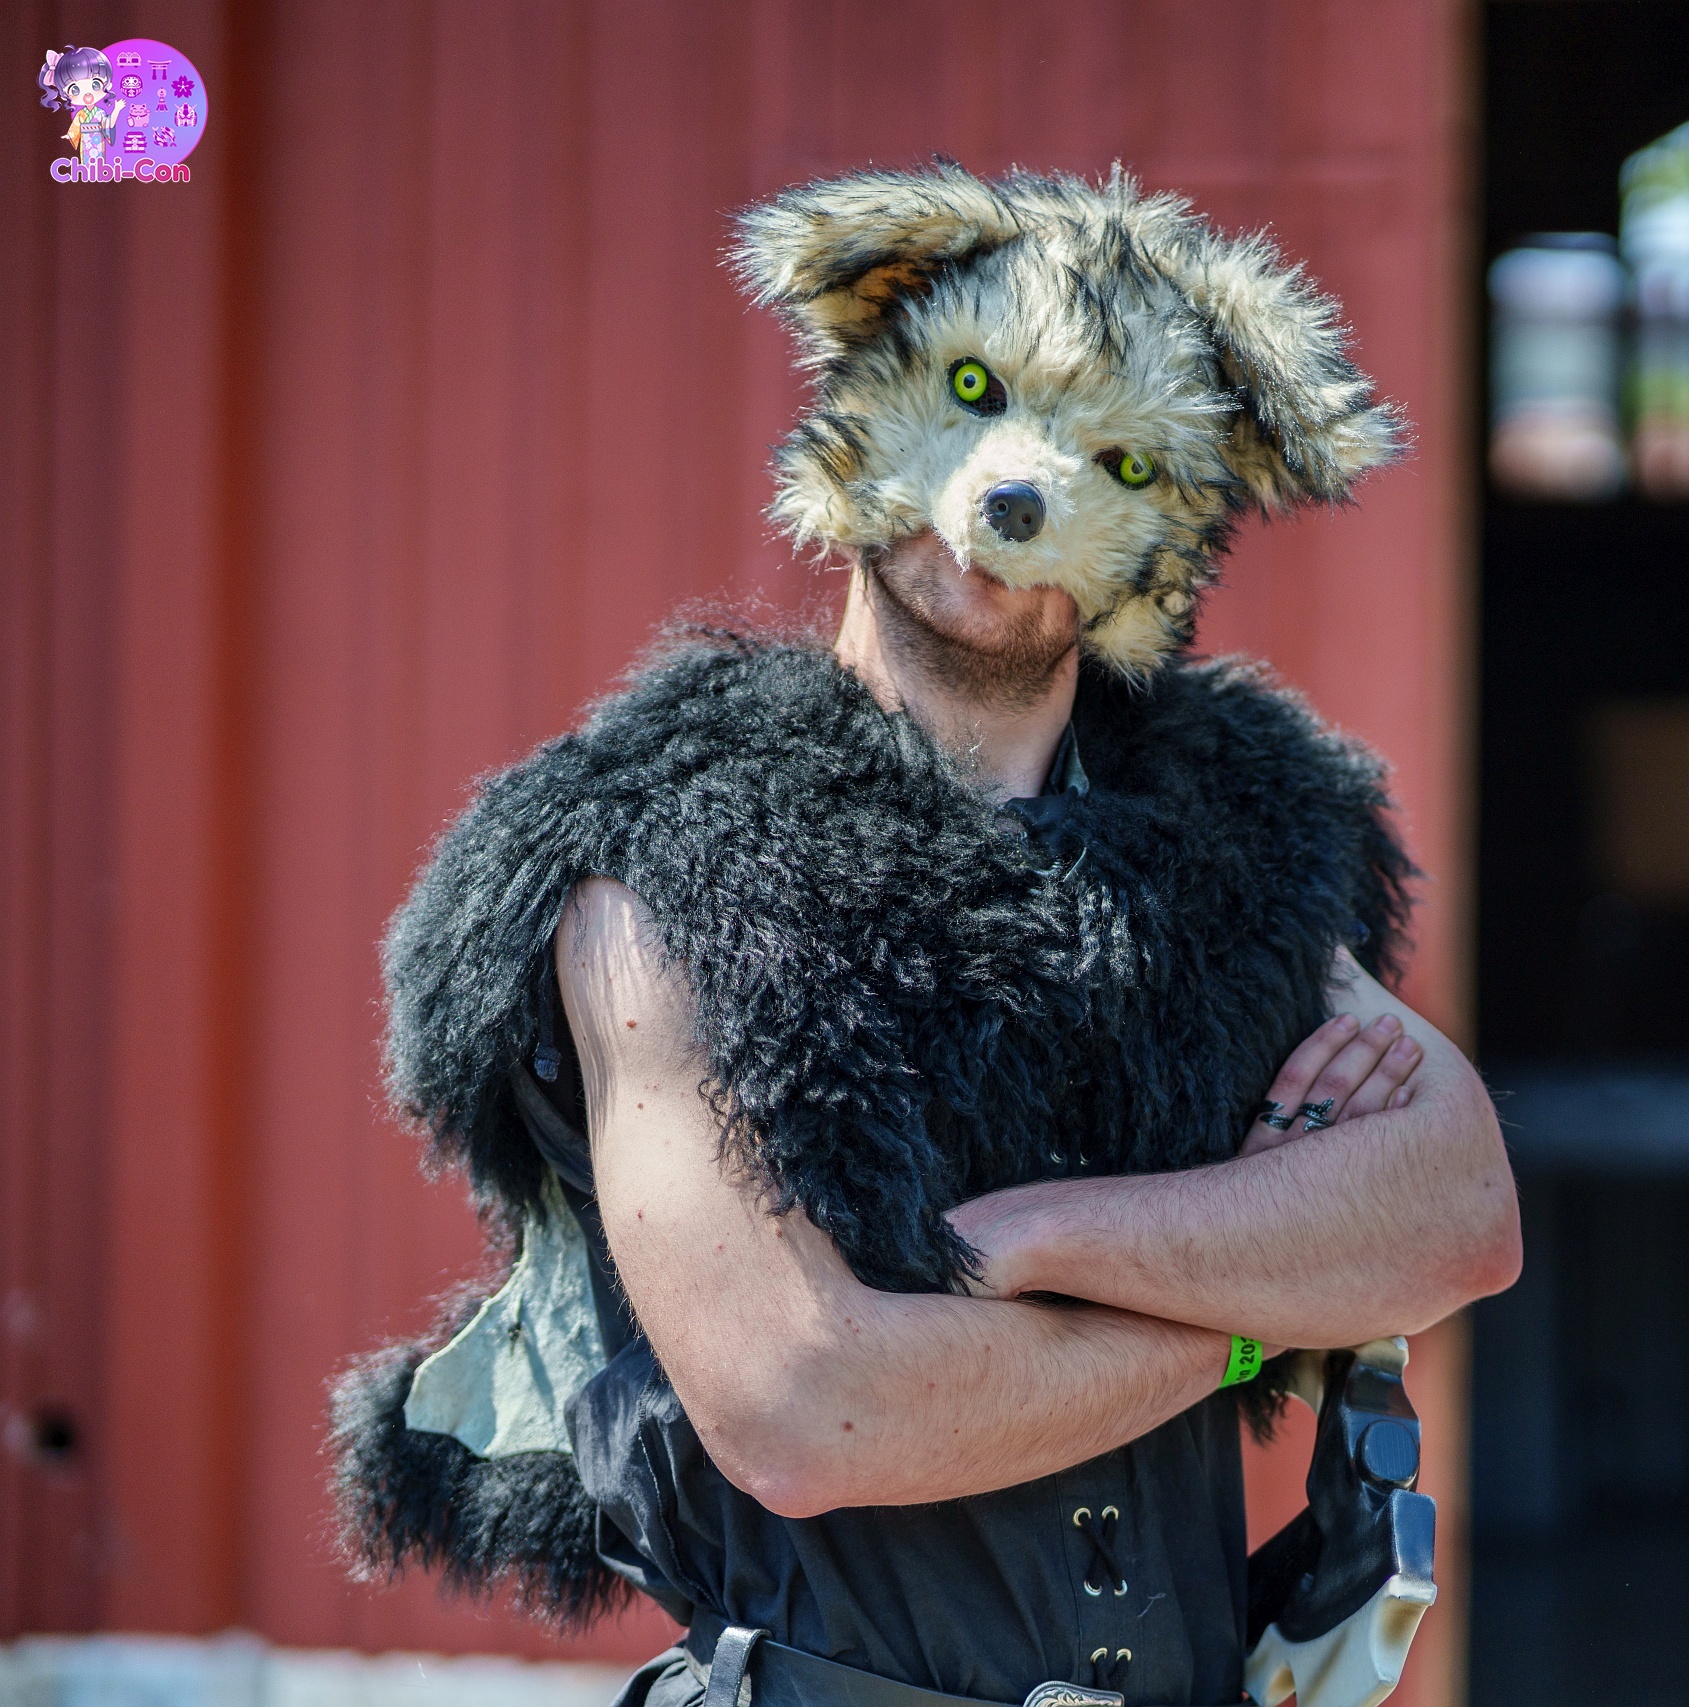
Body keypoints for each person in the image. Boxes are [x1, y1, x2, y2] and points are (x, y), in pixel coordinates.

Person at [331, 164, 1520, 1707]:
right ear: (867, 380)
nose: (1017, 483)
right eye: (972, 389)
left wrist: (1035, 1247)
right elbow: (812, 1411)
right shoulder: (653, 868)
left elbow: (1457, 1215)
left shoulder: (1231, 860)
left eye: (1110, 452)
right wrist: (1259, 1300)